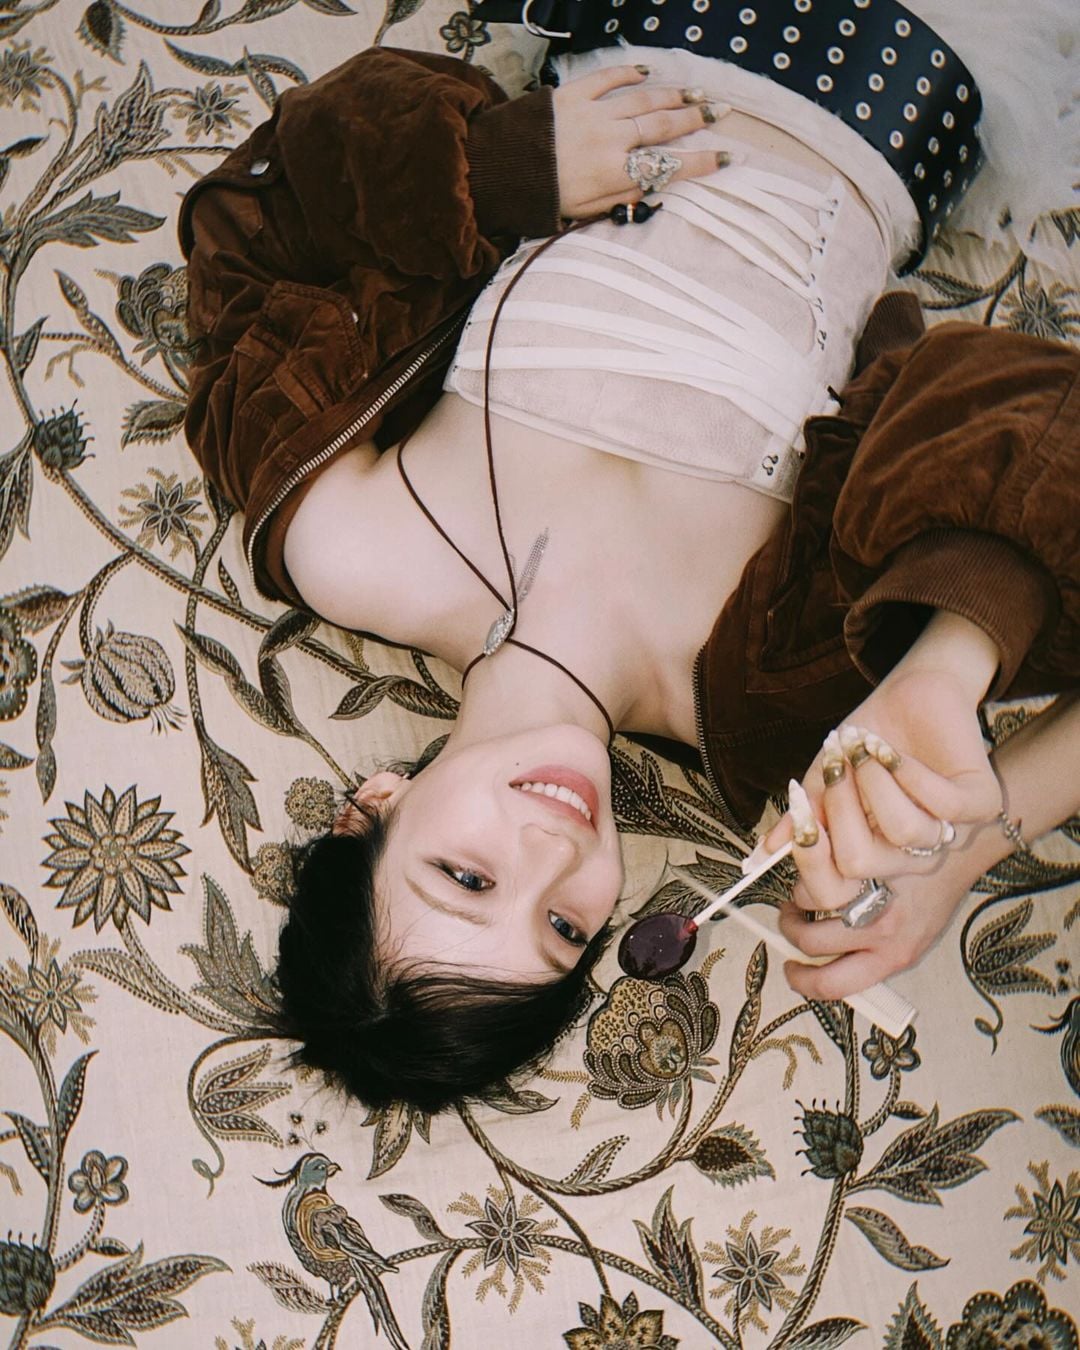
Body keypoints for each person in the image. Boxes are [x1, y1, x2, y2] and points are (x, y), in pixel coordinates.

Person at [180, 2, 1080, 1113]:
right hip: (911, 62)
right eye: (564, 926)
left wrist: (501, 171)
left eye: (468, 877)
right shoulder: (764, 706)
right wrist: (952, 674)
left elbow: (255, 223)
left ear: (372, 807)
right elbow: (1022, 424)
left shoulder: (347, 542)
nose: (554, 852)